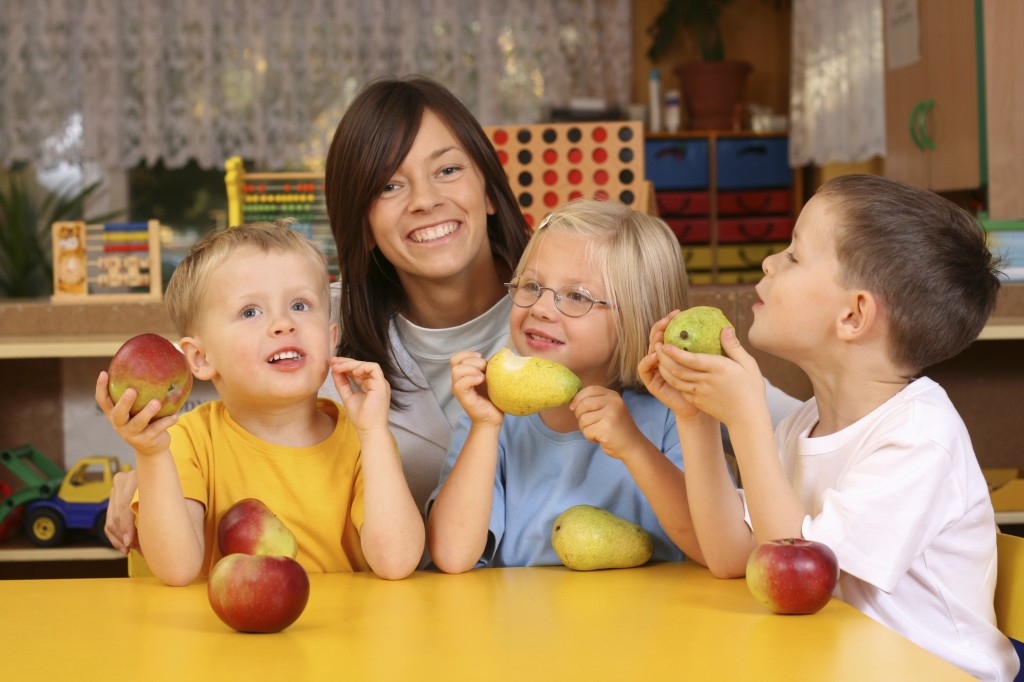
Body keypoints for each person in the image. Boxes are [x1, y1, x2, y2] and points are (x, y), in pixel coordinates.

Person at [104, 76, 800, 554]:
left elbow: (778, 423)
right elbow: (247, 424)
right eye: (388, 185)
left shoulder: (571, 307)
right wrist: (151, 473)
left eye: (447, 170)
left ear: (489, 189)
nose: (425, 202)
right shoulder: (317, 327)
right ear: (361, 220)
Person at [641, 174, 1018, 682]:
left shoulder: (920, 437)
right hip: (833, 659)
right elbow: (731, 556)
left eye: (794, 256)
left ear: (854, 314)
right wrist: (698, 419)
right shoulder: (804, 425)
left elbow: (801, 584)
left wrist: (748, 420)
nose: (769, 263)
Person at [95, 221, 424, 585]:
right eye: (250, 311)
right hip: (227, 638)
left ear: (331, 340)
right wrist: (151, 453)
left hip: (343, 636)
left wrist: (375, 433)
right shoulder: (184, 441)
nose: (283, 323)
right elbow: (177, 569)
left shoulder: (364, 440)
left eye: (300, 305)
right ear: (200, 358)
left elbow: (397, 561)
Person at [427, 199, 707, 572]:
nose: (541, 308)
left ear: (638, 318)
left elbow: (709, 546)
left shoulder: (677, 415)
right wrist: (484, 426)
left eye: (577, 296)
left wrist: (634, 447)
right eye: (531, 285)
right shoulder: (491, 419)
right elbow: (451, 555)